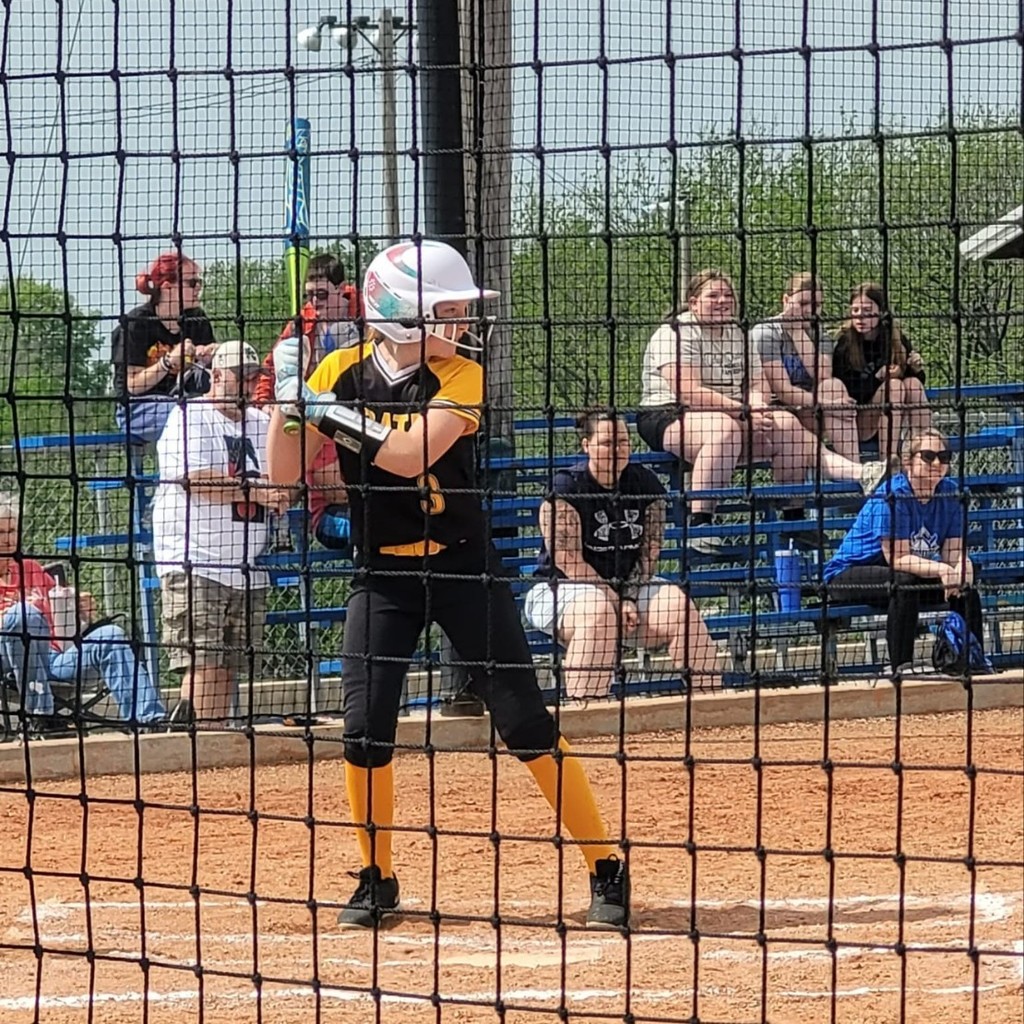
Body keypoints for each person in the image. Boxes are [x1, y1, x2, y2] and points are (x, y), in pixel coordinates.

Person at [267, 240, 630, 931]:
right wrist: (286, 406)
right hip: (383, 576)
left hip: (464, 566)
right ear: (404, 314)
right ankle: (377, 878)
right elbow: (285, 478)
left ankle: (605, 866)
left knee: (524, 723)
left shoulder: (459, 374)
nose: (463, 322)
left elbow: (409, 455)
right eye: (449, 310)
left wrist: (327, 412)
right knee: (363, 730)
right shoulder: (338, 370)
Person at [636, 269, 887, 554]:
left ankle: (801, 513)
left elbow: (757, 383)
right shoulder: (675, 332)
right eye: (713, 296)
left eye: (728, 295)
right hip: (669, 413)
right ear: (694, 302)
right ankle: (701, 523)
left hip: (731, 412)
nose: (723, 301)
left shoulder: (738, 333)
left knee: (786, 423)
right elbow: (688, 391)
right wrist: (743, 409)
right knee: (722, 427)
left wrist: (757, 405)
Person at [525, 410, 721, 698]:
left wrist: (628, 596)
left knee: (679, 606)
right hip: (559, 589)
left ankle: (709, 705)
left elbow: (649, 555)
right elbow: (568, 560)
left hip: (628, 588)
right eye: (607, 442)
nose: (617, 449)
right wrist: (617, 600)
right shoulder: (567, 487)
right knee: (599, 613)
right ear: (586, 445)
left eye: (623, 441)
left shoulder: (645, 484)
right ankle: (587, 715)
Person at [152, 340, 291, 725]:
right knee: (202, 660)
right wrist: (259, 490)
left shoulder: (262, 422)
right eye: (240, 378)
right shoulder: (190, 416)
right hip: (196, 560)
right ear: (216, 376)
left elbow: (286, 474)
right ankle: (195, 744)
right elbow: (193, 478)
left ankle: (208, 739)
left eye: (253, 378)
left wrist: (282, 491)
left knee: (230, 665)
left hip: (246, 564)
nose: (248, 385)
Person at [823, 430, 982, 678]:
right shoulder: (894, 495)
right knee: (904, 582)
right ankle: (901, 666)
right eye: (928, 456)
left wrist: (961, 568)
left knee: (965, 589)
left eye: (944, 456)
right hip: (849, 573)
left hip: (907, 570)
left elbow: (953, 553)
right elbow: (897, 558)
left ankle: (971, 659)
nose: (938, 464)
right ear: (908, 461)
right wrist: (942, 569)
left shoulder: (951, 494)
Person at [0, 495, 166, 733]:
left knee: (111, 635)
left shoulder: (31, 568)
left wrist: (81, 611)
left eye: (12, 530)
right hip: (10, 664)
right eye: (1, 532)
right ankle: (42, 717)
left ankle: (150, 721)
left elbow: (63, 616)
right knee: (23, 615)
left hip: (55, 658)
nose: (7, 539)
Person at [253, 253, 361, 551]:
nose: (316, 302)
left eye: (323, 294)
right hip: (322, 410)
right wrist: (265, 403)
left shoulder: (367, 311)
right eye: (310, 295)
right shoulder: (303, 323)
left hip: (363, 406)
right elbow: (270, 368)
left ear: (343, 290)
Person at [752, 272, 860, 461]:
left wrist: (797, 333)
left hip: (810, 410)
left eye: (816, 305)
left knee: (833, 385)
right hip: (777, 412)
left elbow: (822, 374)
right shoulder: (766, 332)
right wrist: (829, 405)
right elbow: (783, 390)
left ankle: (857, 472)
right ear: (786, 300)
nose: (810, 310)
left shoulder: (821, 334)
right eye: (803, 304)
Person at [111, 252, 217, 443]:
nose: (198, 287)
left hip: (185, 399)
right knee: (193, 414)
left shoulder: (197, 319)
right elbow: (132, 385)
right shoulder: (136, 323)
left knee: (219, 408)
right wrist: (168, 362)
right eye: (192, 283)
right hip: (136, 408)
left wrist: (212, 355)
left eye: (199, 281)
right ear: (168, 287)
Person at [832, 282, 932, 458]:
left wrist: (914, 369)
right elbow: (850, 393)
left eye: (867, 310)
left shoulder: (894, 337)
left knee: (913, 384)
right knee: (893, 386)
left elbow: (912, 380)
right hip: (858, 421)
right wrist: (878, 378)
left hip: (894, 416)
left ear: (881, 311)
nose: (860, 317)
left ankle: (923, 454)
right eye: (855, 310)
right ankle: (889, 462)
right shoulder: (845, 344)